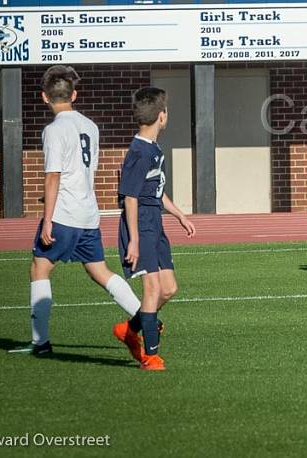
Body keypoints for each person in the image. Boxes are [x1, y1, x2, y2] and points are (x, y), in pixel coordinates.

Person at [26, 65, 142, 356]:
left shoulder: (54, 129)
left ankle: (40, 342)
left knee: (40, 267)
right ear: (74, 94)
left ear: (44, 97)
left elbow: (53, 175)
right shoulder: (90, 125)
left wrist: (48, 219)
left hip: (64, 213)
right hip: (89, 213)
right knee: (99, 270)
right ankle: (145, 317)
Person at [113, 87, 196, 371]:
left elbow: (156, 192)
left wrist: (179, 215)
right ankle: (150, 357)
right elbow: (131, 197)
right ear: (162, 116)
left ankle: (129, 329)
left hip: (155, 222)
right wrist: (134, 240)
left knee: (169, 289)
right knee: (151, 288)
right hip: (140, 225)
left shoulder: (154, 148)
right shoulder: (138, 151)